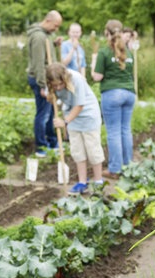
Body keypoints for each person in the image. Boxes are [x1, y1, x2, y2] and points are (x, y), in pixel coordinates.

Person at [46, 62, 105, 195]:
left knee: (93, 149)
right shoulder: (51, 84)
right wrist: (51, 96)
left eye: (60, 84)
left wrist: (65, 122)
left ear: (65, 78)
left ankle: (98, 182)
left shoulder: (76, 79)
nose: (58, 87)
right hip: (72, 118)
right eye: (55, 85)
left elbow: (79, 105)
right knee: (77, 150)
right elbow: (50, 97)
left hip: (88, 115)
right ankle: (82, 182)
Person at [91, 19, 135, 179]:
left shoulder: (104, 52)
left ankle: (115, 168)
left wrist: (94, 62)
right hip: (129, 93)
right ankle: (128, 165)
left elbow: (97, 77)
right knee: (125, 129)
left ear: (106, 33)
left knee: (113, 132)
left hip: (112, 94)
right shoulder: (128, 52)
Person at [26, 10, 63, 157]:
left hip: (47, 80)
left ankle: (52, 143)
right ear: (48, 21)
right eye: (55, 25)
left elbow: (46, 52)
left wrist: (54, 44)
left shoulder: (45, 36)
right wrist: (43, 85)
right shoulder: (38, 37)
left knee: (51, 111)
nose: (56, 29)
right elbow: (39, 63)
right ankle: (41, 147)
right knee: (43, 114)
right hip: (40, 79)